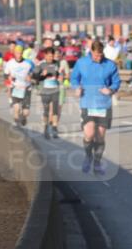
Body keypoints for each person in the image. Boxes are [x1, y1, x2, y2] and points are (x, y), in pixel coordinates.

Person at [71, 40, 121, 175]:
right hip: (87, 103)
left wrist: (110, 90)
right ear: (91, 51)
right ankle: (88, 156)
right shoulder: (82, 63)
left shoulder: (110, 65)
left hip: (104, 104)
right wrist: (77, 88)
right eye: (95, 56)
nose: (98, 58)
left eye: (100, 55)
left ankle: (97, 163)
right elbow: (74, 78)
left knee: (100, 137)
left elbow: (116, 82)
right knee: (89, 134)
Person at [33, 46, 65, 138]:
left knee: (55, 110)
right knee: (46, 111)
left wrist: (60, 77)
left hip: (55, 90)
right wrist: (42, 75)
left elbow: (59, 75)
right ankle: (46, 128)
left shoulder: (57, 63)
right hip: (45, 92)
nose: (51, 57)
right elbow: (35, 78)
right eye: (49, 56)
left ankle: (54, 128)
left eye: (52, 55)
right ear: (45, 56)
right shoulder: (40, 65)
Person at [4, 47, 35, 127]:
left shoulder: (28, 63)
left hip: (26, 88)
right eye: (17, 53)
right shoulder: (10, 63)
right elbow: (5, 74)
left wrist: (31, 77)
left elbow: (35, 74)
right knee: (16, 108)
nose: (19, 55)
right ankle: (17, 125)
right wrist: (9, 77)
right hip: (15, 87)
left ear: (22, 53)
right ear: (14, 53)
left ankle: (23, 117)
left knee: (26, 112)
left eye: (20, 53)